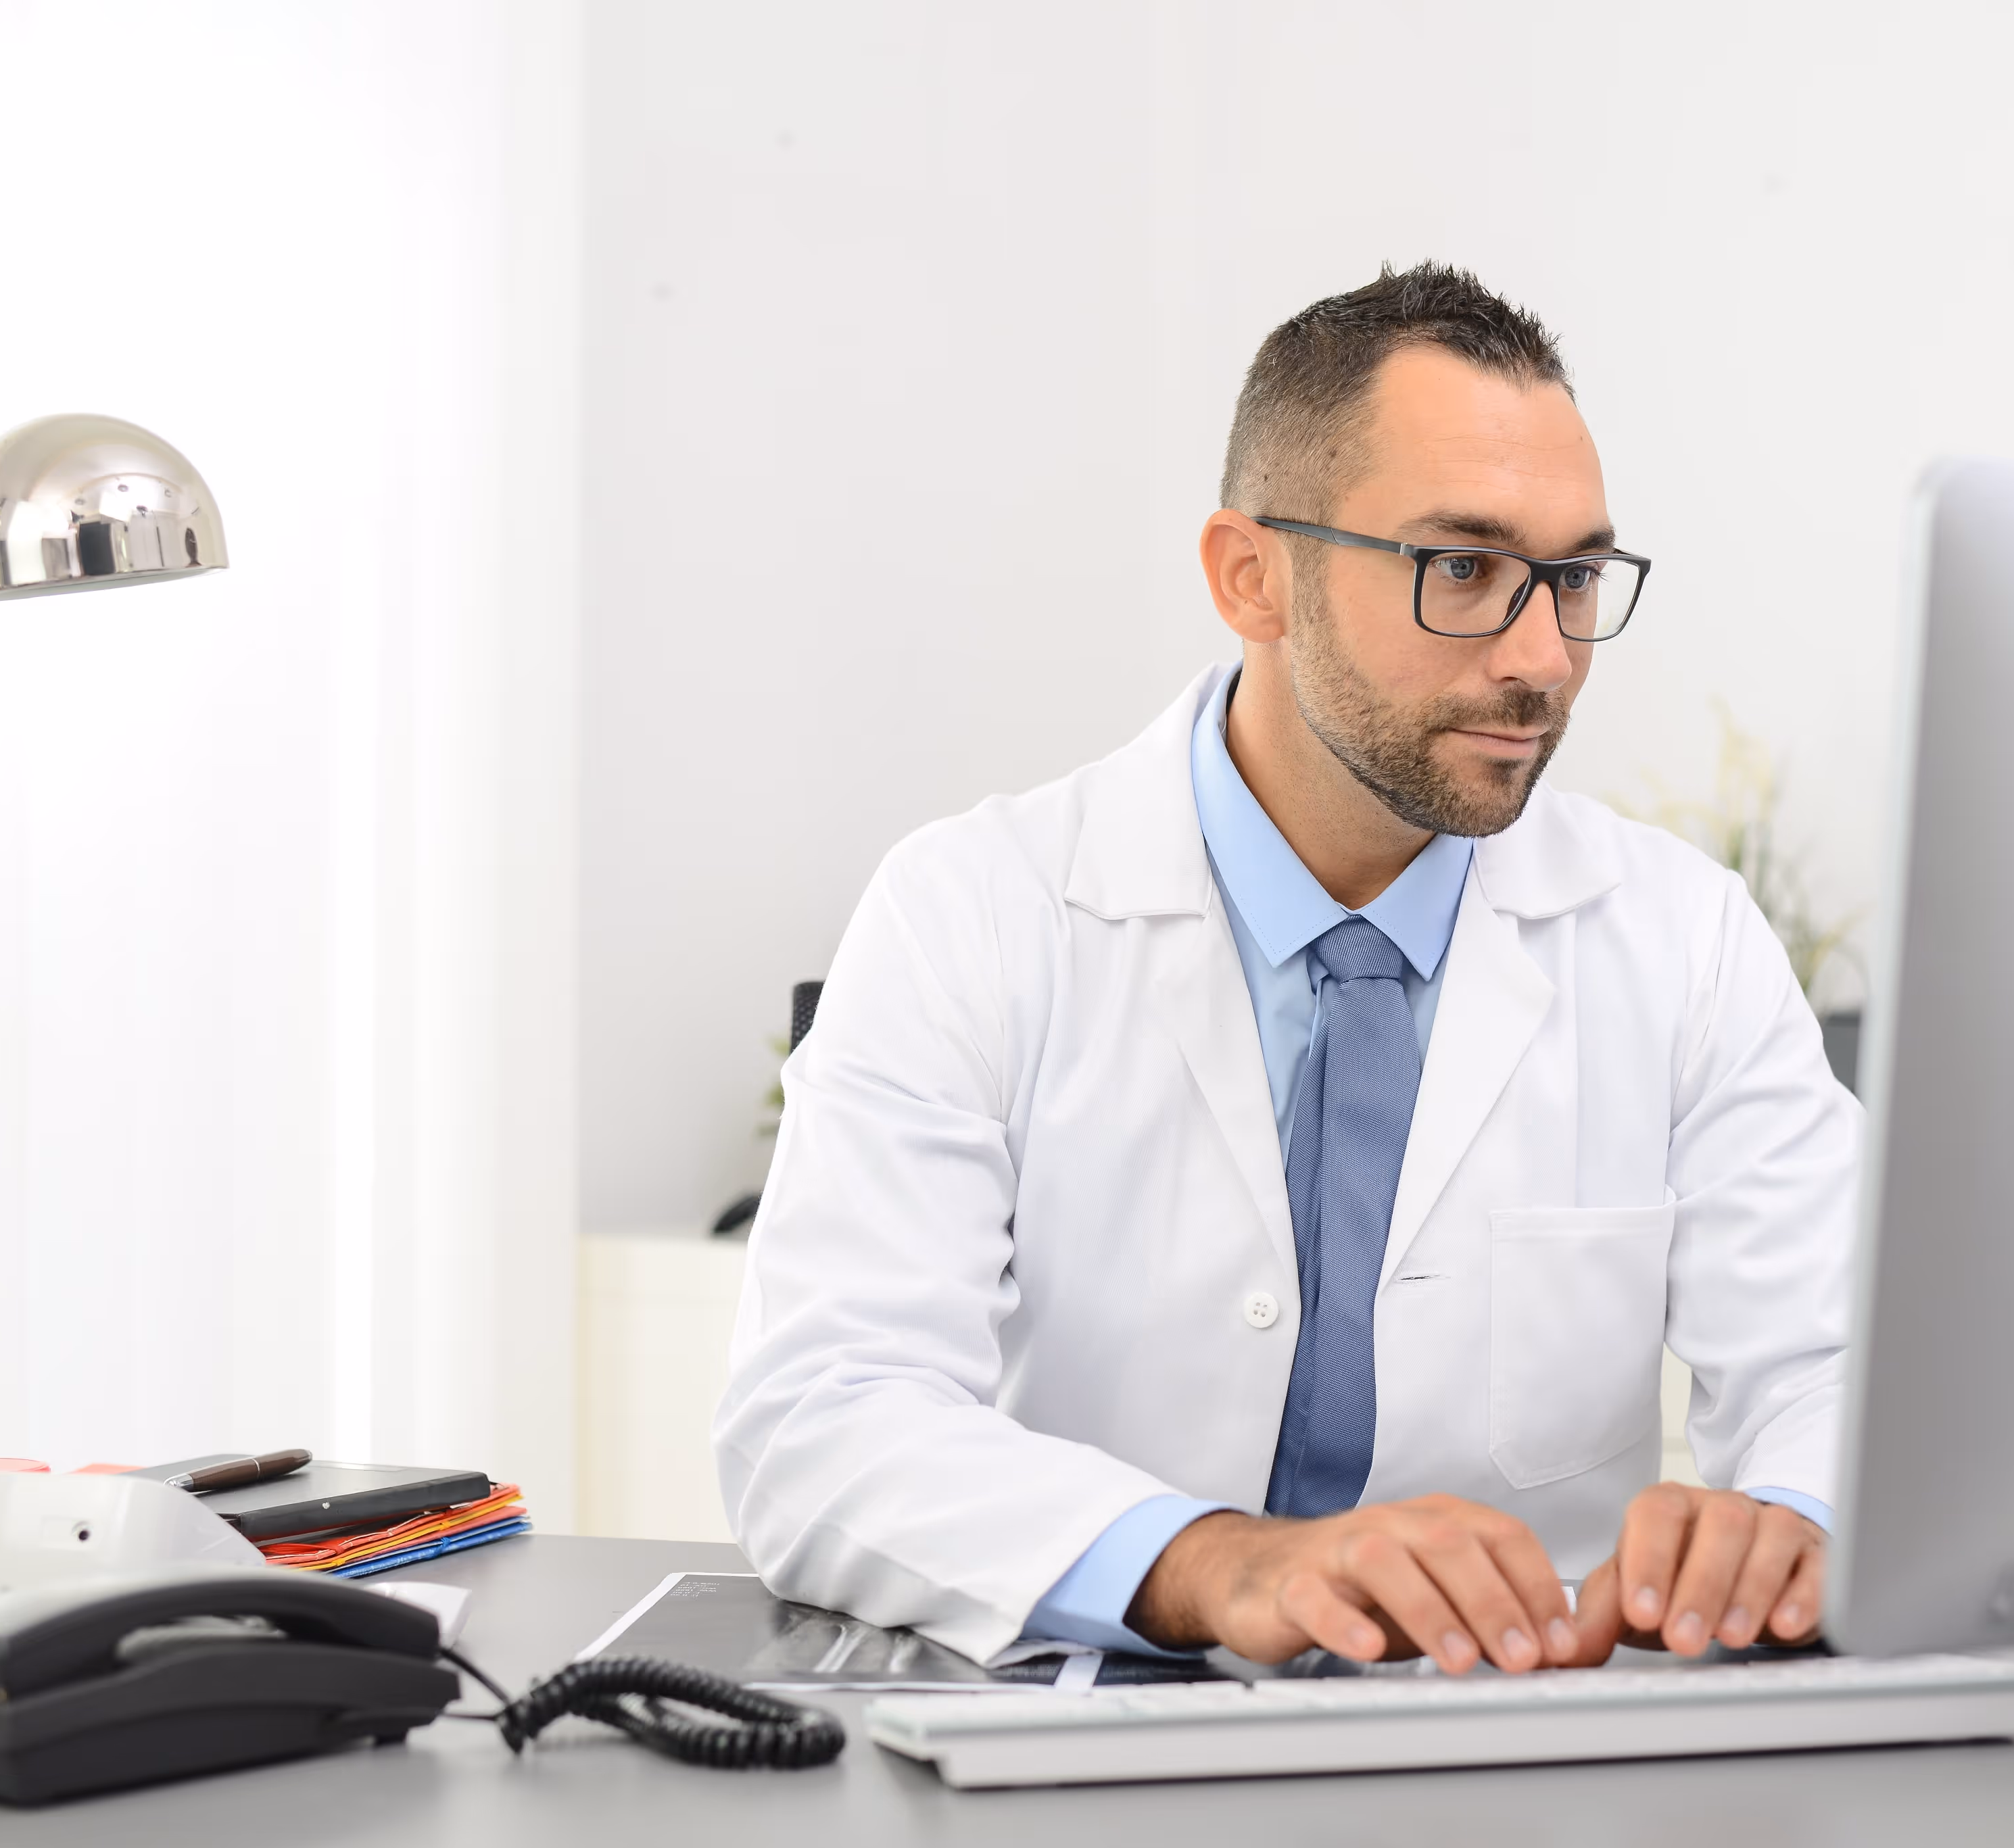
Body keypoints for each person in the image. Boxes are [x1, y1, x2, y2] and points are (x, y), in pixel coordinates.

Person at [715, 262, 1856, 1677]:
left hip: (1536, 1731)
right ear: (1250, 575)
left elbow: (1835, 1358)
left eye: (1569, 577)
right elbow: (824, 1415)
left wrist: (1788, 1510)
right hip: (1090, 1724)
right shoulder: (973, 912)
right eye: (1464, 569)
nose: (1541, 657)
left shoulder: (1680, 939)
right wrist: (1210, 1559)